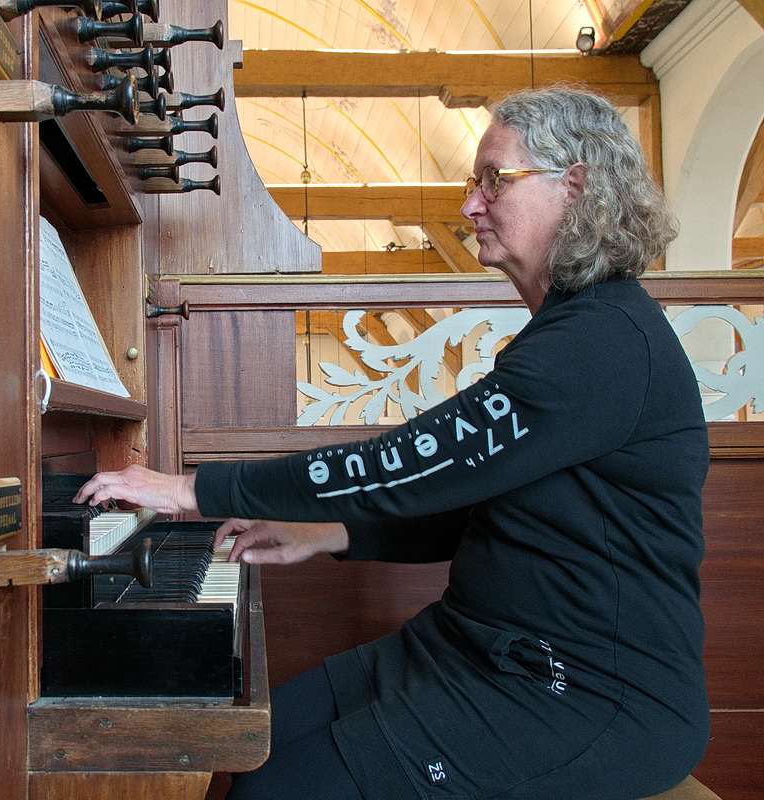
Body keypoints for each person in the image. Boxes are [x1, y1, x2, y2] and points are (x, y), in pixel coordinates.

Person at [74, 87, 710, 800]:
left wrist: (191, 489)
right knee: (252, 745)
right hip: (467, 650)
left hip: (584, 695)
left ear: (577, 185)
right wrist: (330, 533)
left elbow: (404, 464)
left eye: (494, 179)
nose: (471, 203)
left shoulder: (603, 344)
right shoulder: (572, 334)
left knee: (273, 792)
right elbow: (472, 508)